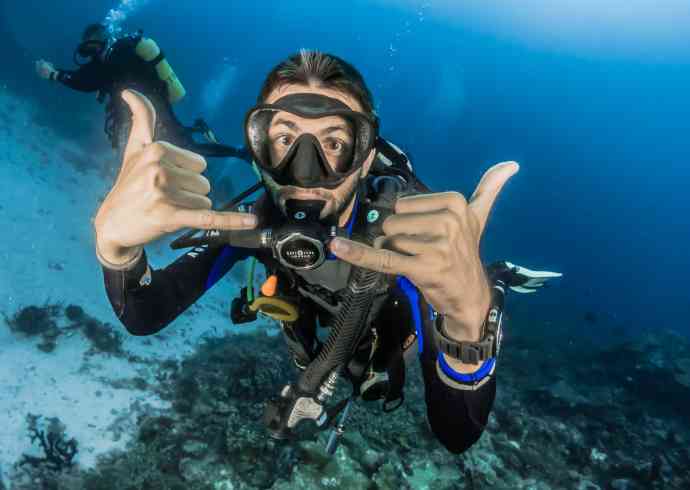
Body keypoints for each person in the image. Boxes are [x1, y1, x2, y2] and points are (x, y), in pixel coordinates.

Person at [92, 50, 561, 454]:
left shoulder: (404, 245)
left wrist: (467, 324)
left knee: (429, 327)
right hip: (320, 345)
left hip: (387, 336)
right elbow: (144, 313)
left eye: (335, 142)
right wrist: (115, 248)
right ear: (258, 149)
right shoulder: (252, 221)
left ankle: (493, 280)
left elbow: (457, 433)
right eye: (284, 138)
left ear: (364, 159)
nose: (306, 169)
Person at [35, 23, 248, 160]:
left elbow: (87, 81)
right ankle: (195, 129)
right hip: (147, 108)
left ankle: (239, 152)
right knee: (157, 148)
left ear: (100, 43)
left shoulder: (118, 54)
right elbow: (89, 76)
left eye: (92, 49)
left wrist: (55, 75)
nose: (91, 56)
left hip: (154, 107)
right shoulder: (112, 56)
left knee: (187, 148)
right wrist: (56, 73)